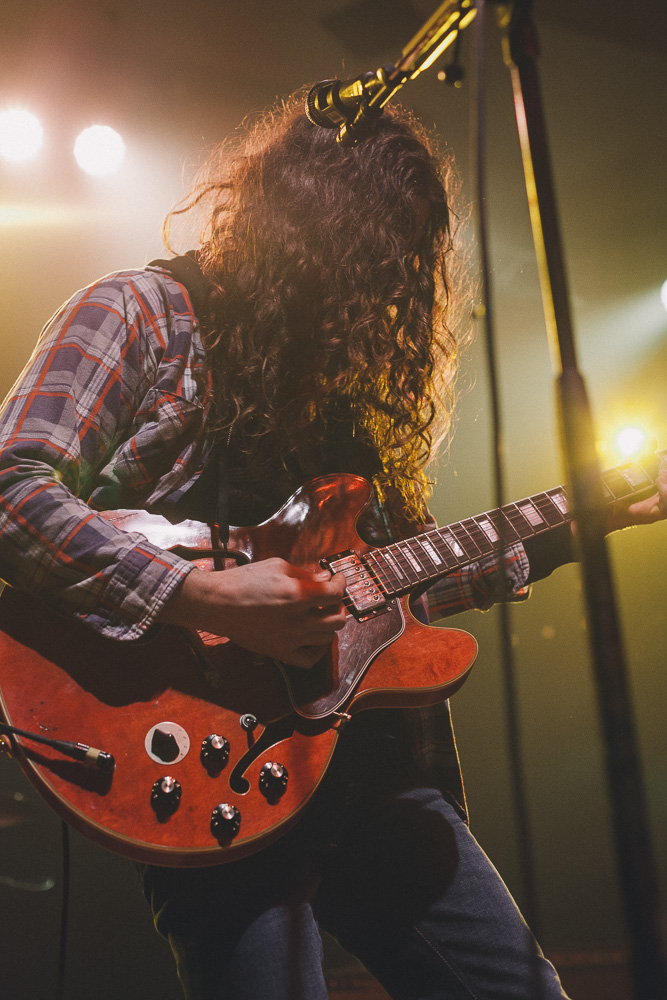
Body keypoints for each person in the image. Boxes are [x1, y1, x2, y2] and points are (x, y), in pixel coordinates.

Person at [0, 93, 664, 1000]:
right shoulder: (141, 313)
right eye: (372, 260)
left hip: (373, 768)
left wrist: (581, 520)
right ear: (306, 240)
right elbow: (12, 489)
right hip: (200, 759)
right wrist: (200, 595)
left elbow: (396, 590)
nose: (388, 293)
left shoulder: (340, 396)